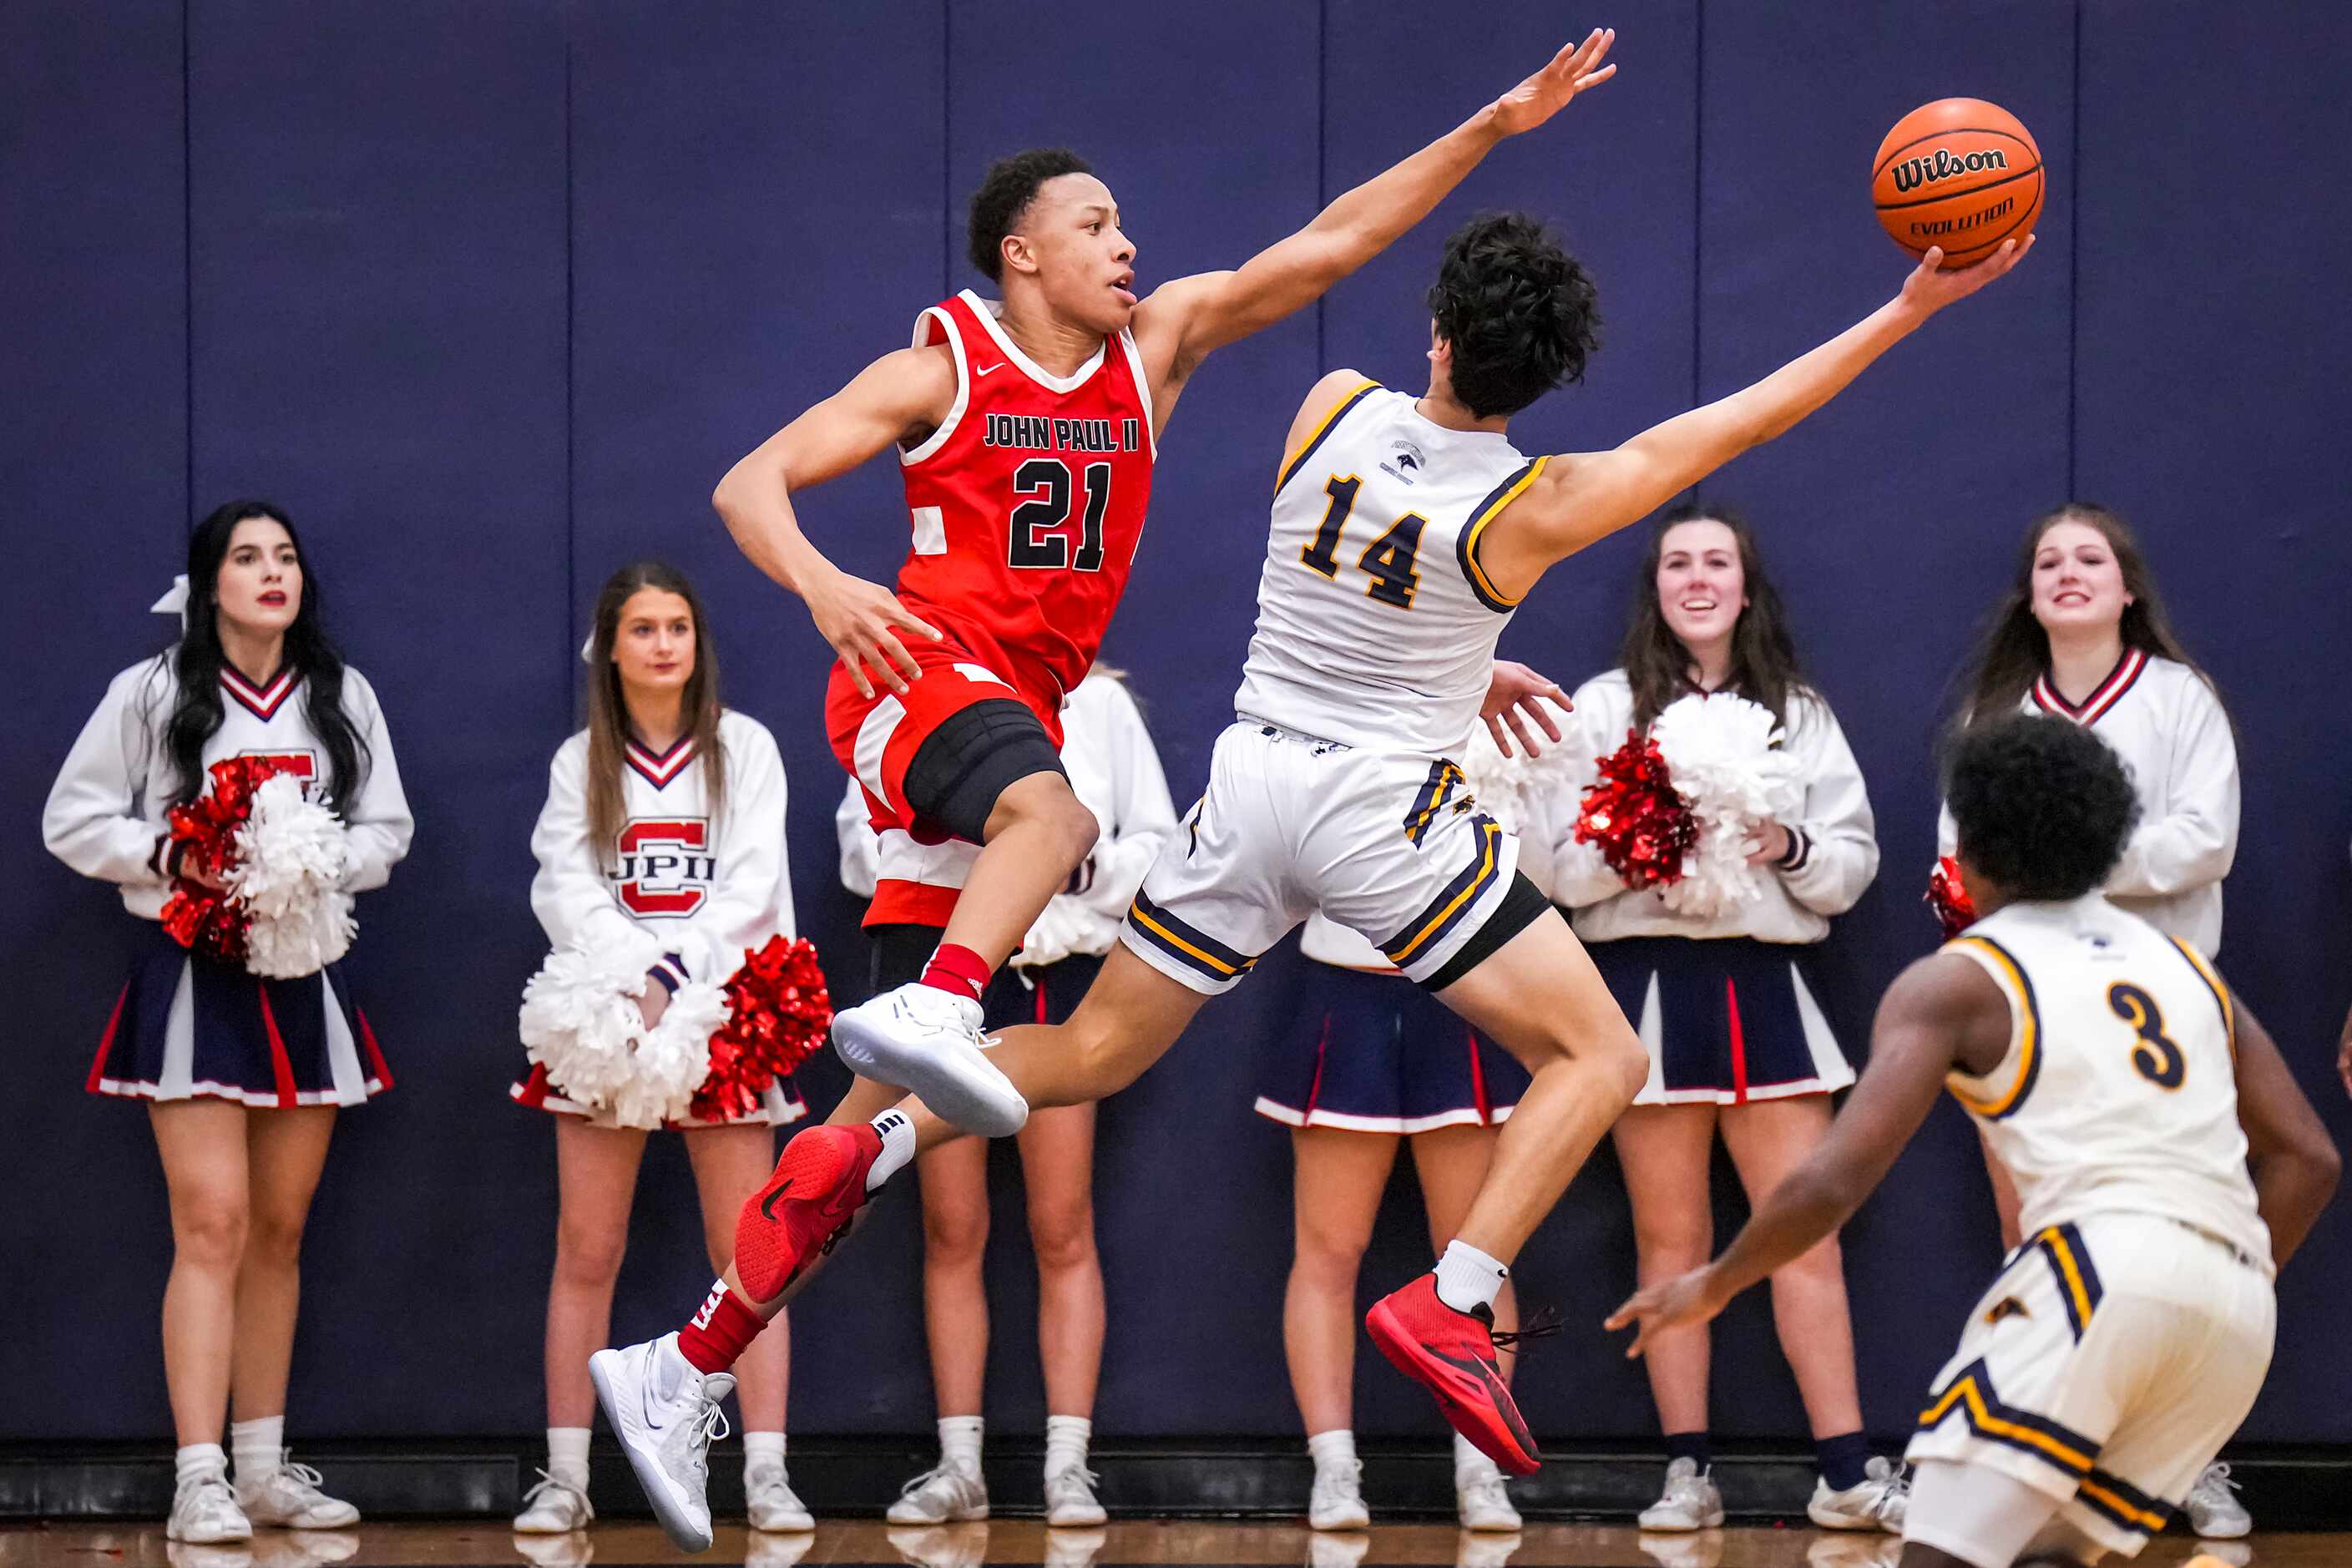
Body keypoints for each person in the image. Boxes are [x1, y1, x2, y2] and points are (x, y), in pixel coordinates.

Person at [609, 185, 2038, 1556]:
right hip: (1377, 814)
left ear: (1434, 332)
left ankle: (868, 1139)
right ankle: (1457, 1292)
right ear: (1544, 377)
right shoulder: (1536, 503)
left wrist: (1455, 661)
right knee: (1595, 1053)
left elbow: (1369, 554)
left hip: (1249, 781)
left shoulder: (1327, 407)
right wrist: (1905, 307)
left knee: (1094, 1047)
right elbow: (1736, 419)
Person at [714, 33, 1624, 1152]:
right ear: (1022, 251)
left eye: (1122, 224)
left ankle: (711, 1325)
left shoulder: (1153, 349)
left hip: (1020, 712)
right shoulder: (940, 368)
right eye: (1092, 224)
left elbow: (1332, 243)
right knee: (1056, 819)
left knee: (863, 1121)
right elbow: (747, 483)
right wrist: (821, 585)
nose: (1125, 242)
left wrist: (1490, 125)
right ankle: (942, 1004)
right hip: (919, 681)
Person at [1608, 714, 2339, 1568]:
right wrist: (2208, 1281)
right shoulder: (2184, 966)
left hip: (2097, 1275)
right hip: (2237, 1311)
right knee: (2050, 1556)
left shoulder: (1960, 980)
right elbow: (2310, 1160)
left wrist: (1715, 1282)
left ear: (1971, 852)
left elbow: (1830, 1184)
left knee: (1940, 1557)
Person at [43, 501, 412, 1545]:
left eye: (285, 557)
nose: (270, 574)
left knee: (280, 1233)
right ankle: (196, 1475)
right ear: (210, 584)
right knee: (211, 1223)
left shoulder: (341, 696)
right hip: (195, 976)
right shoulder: (155, 692)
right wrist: (171, 860)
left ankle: (259, 1468)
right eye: (247, 559)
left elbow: (390, 827)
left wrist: (318, 866)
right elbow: (71, 818)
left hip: (305, 974)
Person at [1545, 506, 1897, 1531]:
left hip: (1767, 995)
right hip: (1641, 993)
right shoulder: (1605, 708)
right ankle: (1686, 1473)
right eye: (1677, 563)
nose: (1697, 579)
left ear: (1747, 587)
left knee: (1803, 1237)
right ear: (1654, 586)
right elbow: (1559, 873)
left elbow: (1850, 864)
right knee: (1670, 1240)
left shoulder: (1799, 710)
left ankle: (1843, 1474)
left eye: (1717, 562)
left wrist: (1783, 844)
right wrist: (1639, 835)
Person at [1939, 503, 2247, 1537]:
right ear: (2029, 594)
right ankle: (2029, 1459)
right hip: (2033, 1011)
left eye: (2091, 559)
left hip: (2161, 1012)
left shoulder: (2178, 697)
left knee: (2175, 1236)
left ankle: (2178, 1461)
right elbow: (1958, 861)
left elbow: (2206, 842)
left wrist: (2064, 862)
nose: (2069, 573)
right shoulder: (1996, 713)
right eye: (2048, 561)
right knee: (2035, 1235)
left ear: (2127, 589)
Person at [832, 665, 1177, 1527]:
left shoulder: (1099, 702)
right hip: (947, 976)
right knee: (953, 1228)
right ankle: (960, 1467)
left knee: (1061, 1223)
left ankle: (1069, 1466)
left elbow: (1159, 842)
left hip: (1057, 978)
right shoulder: (913, 691)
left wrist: (1075, 863)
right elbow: (855, 844)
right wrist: (955, 849)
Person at [508, 563, 812, 1536]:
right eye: (643, 628)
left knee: (750, 1254)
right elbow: (562, 886)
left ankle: (765, 1473)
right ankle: (567, 1478)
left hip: (723, 1017)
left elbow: (755, 881)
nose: (664, 644)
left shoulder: (746, 751)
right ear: (613, 646)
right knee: (587, 1250)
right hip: (610, 1022)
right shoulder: (579, 762)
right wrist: (635, 978)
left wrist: (676, 978)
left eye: (678, 625)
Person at [1264, 721, 1550, 1535]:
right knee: (1328, 1248)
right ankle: (1333, 1470)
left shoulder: (1510, 730)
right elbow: (1283, 867)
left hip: (1468, 998)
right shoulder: (1326, 718)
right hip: (1343, 995)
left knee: (1476, 1252)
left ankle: (1480, 1469)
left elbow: (1555, 876)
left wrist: (1507, 831)